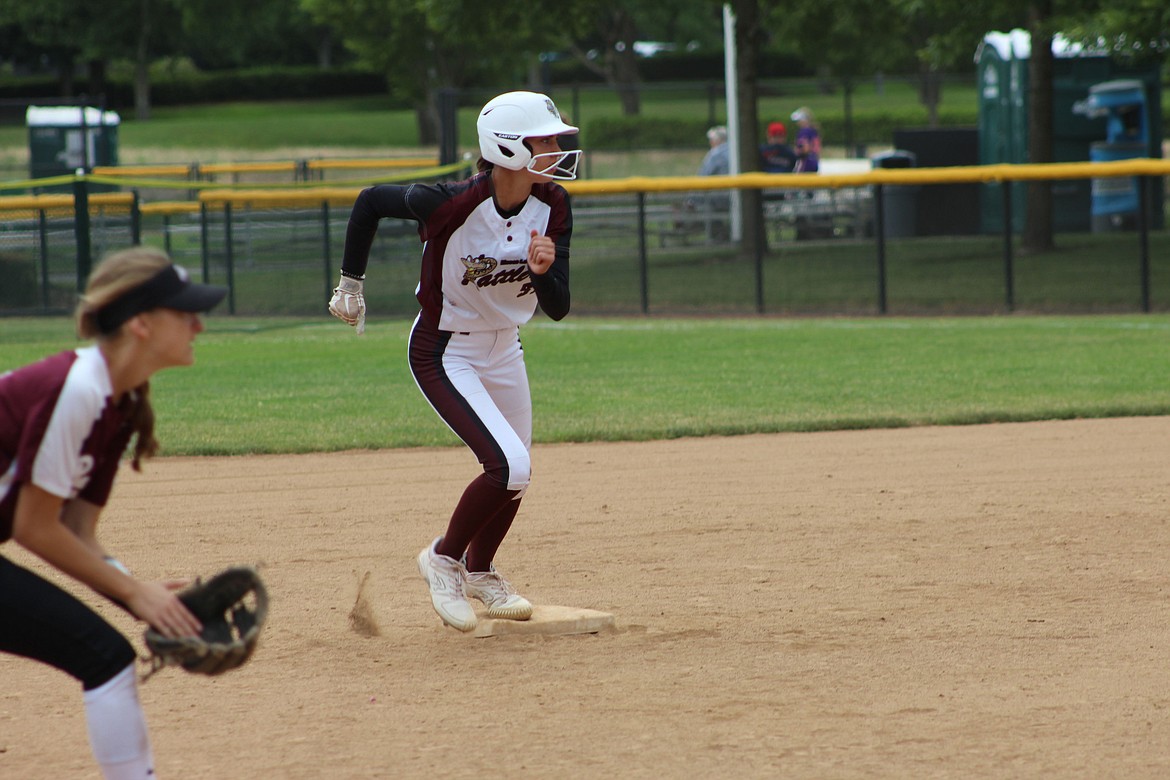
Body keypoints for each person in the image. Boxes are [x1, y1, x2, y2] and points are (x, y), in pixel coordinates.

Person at [328, 90, 580, 633]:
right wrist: (351, 284)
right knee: (507, 465)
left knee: (518, 474)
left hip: (504, 346)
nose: (558, 147)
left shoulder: (553, 204)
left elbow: (556, 307)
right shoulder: (451, 202)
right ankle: (443, 559)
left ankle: (481, 570)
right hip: (445, 350)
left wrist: (541, 271)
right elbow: (371, 200)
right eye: (546, 138)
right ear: (508, 147)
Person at [0, 246, 226, 779]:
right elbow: (34, 528)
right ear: (141, 323)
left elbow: (77, 530)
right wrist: (133, 594)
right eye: (185, 312)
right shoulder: (78, 390)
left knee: (105, 658)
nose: (198, 325)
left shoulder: (119, 402)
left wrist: (140, 594)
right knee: (105, 659)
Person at [791, 107, 822, 173]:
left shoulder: (803, 132)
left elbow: (805, 148)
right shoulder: (814, 131)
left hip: (806, 162)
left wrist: (795, 152)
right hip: (814, 161)